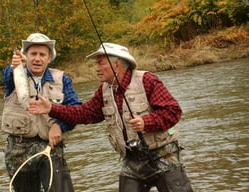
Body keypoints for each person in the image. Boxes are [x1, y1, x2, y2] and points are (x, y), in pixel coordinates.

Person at [27, 43, 194, 192]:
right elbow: (84, 113)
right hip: (132, 160)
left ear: (116, 64)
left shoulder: (147, 80)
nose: (97, 68)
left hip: (163, 154)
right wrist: (51, 108)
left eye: (101, 63)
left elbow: (173, 111)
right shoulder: (104, 90)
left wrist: (145, 122)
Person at [1, 32, 81, 192]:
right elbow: (7, 76)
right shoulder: (13, 74)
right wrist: (15, 65)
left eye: (42, 54)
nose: (37, 58)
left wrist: (61, 126)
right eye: (33, 54)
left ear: (49, 57)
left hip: (51, 149)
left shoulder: (63, 79)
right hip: (18, 150)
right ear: (25, 56)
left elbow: (76, 110)